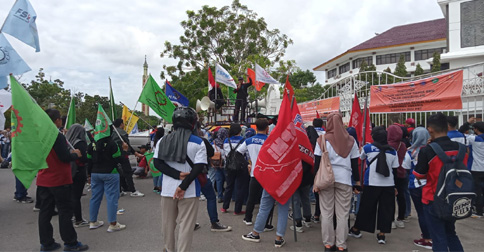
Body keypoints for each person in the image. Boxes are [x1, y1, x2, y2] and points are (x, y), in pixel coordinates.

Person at [154, 107, 207, 252]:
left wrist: (176, 175)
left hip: (167, 190)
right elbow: (198, 168)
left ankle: (168, 249)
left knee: (167, 225)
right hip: (190, 191)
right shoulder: (198, 142)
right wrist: (183, 185)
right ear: (192, 122)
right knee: (186, 227)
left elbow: (157, 163)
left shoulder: (162, 141)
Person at [413, 113, 466, 251]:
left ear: (430, 129)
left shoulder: (427, 151)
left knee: (438, 237)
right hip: (454, 197)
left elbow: (419, 175)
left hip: (433, 198)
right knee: (451, 233)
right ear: (447, 127)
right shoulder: (462, 149)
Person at [37, 109, 88, 251]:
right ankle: (70, 243)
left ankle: (46, 243)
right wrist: (75, 154)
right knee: (65, 212)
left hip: (44, 177)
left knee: (45, 212)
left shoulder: (40, 135)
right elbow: (64, 157)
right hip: (59, 179)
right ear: (57, 120)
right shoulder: (56, 135)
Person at [314, 113, 360, 252]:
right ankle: (341, 245)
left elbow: (317, 163)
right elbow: (354, 163)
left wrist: (316, 182)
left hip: (326, 179)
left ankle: (328, 244)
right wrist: (357, 182)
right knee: (342, 214)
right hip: (345, 179)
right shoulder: (351, 140)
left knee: (327, 213)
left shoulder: (321, 140)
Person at [242, 119, 292, 248]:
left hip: (269, 180)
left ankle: (255, 233)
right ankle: (279, 238)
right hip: (284, 182)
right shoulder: (288, 144)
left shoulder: (269, 143)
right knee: (283, 209)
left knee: (264, 207)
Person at [349, 126, 399, 245]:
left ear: (374, 137)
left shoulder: (367, 148)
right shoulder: (392, 151)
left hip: (371, 183)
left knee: (366, 208)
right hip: (389, 184)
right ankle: (382, 234)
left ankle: (356, 229)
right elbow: (395, 170)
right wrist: (395, 186)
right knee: (386, 209)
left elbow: (361, 158)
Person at [88, 125, 127, 232]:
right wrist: (124, 150)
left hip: (95, 173)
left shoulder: (92, 143)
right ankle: (113, 223)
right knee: (111, 199)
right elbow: (120, 159)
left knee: (95, 197)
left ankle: (93, 221)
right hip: (110, 173)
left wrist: (88, 174)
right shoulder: (112, 143)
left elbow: (88, 159)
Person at [239, 118, 273, 229]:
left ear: (256, 128)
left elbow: (238, 153)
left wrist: (247, 164)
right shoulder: (271, 140)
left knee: (251, 198)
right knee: (268, 200)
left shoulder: (249, 140)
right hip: (267, 174)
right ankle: (267, 223)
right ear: (267, 128)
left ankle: (248, 218)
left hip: (255, 173)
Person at [402, 127, 432, 249]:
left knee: (422, 213)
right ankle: (432, 233)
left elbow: (406, 168)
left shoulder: (410, 151)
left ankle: (427, 238)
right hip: (432, 184)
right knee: (431, 211)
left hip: (416, 185)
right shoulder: (433, 149)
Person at [221, 124, 250, 214]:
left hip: (229, 166)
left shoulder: (226, 140)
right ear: (239, 131)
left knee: (229, 186)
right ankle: (237, 210)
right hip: (241, 166)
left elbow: (224, 154)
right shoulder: (243, 141)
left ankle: (225, 207)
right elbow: (247, 154)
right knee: (240, 188)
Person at [111, 119, 144, 197]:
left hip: (114, 155)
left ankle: (120, 190)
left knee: (119, 172)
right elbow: (127, 144)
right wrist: (133, 152)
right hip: (123, 154)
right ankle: (133, 190)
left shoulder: (111, 133)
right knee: (128, 172)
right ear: (121, 124)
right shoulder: (122, 133)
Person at [66, 124, 89, 228]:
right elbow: (84, 158)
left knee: (71, 195)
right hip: (79, 171)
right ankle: (78, 219)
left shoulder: (67, 142)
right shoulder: (80, 143)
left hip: (69, 171)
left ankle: (71, 216)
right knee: (76, 196)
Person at [387, 125, 407, 229]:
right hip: (402, 172)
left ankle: (391, 220)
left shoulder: (387, 145)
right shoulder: (402, 145)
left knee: (390, 198)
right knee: (401, 196)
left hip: (390, 174)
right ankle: (401, 218)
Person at [467, 122, 484, 218]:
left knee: (477, 191)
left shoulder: (473, 139)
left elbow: (462, 133)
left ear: (476, 129)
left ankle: (479, 211)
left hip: (476, 168)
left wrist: (468, 123)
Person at [312, 117, 326, 223]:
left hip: (313, 163)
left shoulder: (309, 133)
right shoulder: (326, 134)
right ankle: (321, 213)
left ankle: (316, 215)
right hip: (327, 166)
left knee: (316, 191)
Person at [213, 128, 227, 202]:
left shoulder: (214, 142)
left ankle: (220, 196)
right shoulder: (226, 142)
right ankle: (229, 196)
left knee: (219, 181)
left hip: (217, 163)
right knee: (228, 180)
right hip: (225, 164)